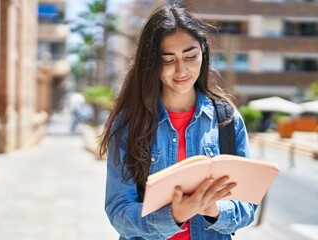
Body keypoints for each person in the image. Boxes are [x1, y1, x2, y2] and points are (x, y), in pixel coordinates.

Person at [98, 3, 257, 240]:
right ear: (151, 64)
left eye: (191, 56)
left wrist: (213, 210)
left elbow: (247, 208)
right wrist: (174, 214)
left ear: (204, 52)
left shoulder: (227, 120)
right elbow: (118, 212)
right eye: (168, 60)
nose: (181, 70)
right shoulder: (130, 122)